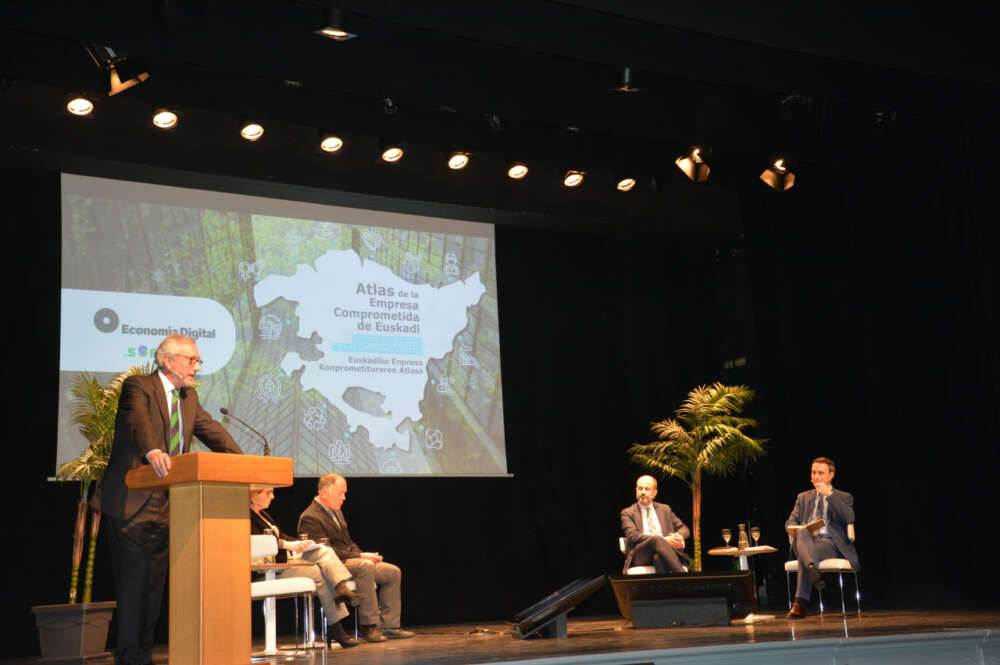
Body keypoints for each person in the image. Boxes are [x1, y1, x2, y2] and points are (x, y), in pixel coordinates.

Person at [100, 334, 243, 665]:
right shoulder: (139, 386)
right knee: (134, 585)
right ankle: (130, 656)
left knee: (153, 588)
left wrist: (242, 463)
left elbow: (214, 433)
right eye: (190, 360)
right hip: (132, 502)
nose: (196, 366)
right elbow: (139, 422)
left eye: (197, 361)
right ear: (167, 360)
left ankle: (142, 655)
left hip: (169, 504)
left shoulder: (188, 398)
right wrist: (153, 451)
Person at [297, 473, 414, 642]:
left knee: (392, 572)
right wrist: (361, 557)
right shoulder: (310, 517)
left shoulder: (337, 513)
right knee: (364, 566)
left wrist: (365, 555)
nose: (344, 498)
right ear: (324, 493)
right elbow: (324, 551)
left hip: (350, 560)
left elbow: (348, 542)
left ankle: (390, 625)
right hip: (332, 567)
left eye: (345, 493)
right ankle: (369, 626)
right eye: (340, 493)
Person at [250, 487, 361, 648]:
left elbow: (282, 537)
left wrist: (300, 543)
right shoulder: (246, 517)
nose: (272, 497)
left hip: (283, 561)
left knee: (324, 551)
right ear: (253, 495)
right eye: (267, 492)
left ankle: (340, 591)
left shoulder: (264, 515)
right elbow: (261, 543)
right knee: (319, 571)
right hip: (265, 569)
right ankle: (336, 622)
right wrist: (288, 545)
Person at [784, 456, 860, 619]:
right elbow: (790, 522)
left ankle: (800, 602)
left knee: (805, 555)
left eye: (821, 473)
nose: (816, 476)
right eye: (813, 473)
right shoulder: (803, 497)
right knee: (803, 532)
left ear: (831, 475)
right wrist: (802, 530)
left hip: (829, 544)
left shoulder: (843, 496)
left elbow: (849, 518)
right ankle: (812, 570)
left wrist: (830, 496)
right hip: (806, 541)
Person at [620, 475, 690, 573]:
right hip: (641, 554)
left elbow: (684, 529)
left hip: (665, 552)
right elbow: (634, 536)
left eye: (647, 489)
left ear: (654, 493)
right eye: (640, 488)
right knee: (657, 539)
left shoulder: (665, 509)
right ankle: (682, 577)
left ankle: (663, 588)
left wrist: (678, 537)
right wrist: (664, 540)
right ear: (636, 490)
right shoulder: (627, 512)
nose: (643, 492)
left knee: (659, 558)